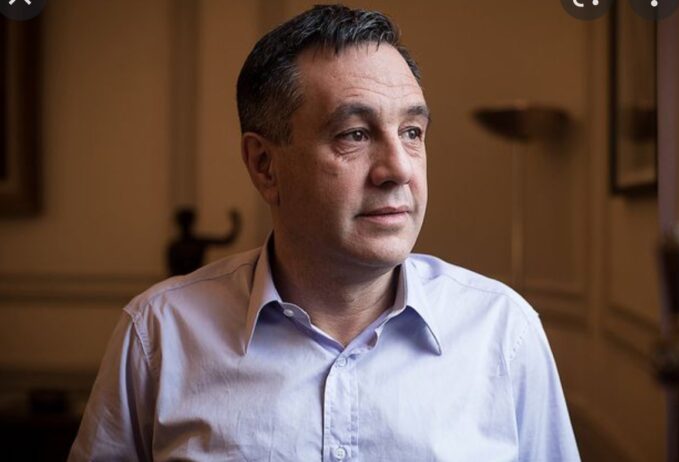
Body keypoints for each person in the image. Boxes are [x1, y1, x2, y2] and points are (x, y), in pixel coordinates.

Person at [69, 4, 580, 461]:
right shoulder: (157, 334)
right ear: (264, 165)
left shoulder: (502, 332)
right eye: (354, 134)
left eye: (412, 132)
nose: (399, 169)